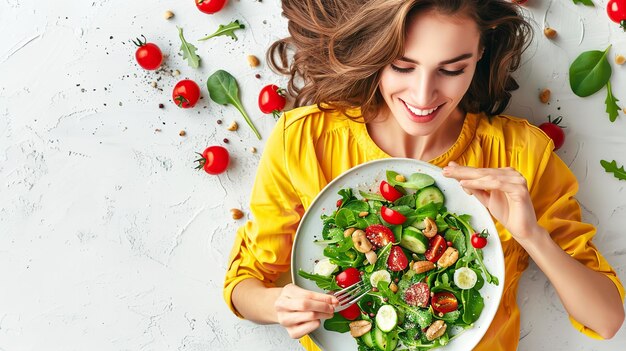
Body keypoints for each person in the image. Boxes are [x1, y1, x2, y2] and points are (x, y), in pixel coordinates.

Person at [223, 0, 625, 350]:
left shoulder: (518, 154)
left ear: (481, 52)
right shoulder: (306, 139)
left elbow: (606, 320)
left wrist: (531, 235)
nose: (422, 96)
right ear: (375, 52)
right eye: (402, 66)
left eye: (451, 69)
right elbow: (245, 285)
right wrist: (279, 308)